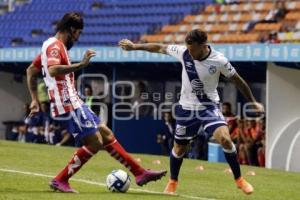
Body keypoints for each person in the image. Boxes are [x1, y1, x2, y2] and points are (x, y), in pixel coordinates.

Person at [26, 12, 166, 193]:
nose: (78, 37)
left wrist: (35, 100)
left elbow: (31, 70)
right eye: (78, 33)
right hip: (67, 101)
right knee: (95, 142)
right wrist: (81, 65)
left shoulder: (51, 45)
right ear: (71, 29)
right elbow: (53, 70)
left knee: (106, 134)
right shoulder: (54, 46)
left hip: (74, 100)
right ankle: (60, 179)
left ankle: (140, 173)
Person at [119, 29, 264, 195]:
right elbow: (159, 47)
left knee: (224, 139)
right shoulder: (184, 52)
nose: (189, 52)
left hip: (208, 107)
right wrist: (135, 46)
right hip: (186, 110)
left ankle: (239, 179)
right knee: (179, 148)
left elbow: (238, 80)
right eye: (188, 48)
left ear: (203, 46)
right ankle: (173, 181)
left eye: (193, 49)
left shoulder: (219, 60)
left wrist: (252, 102)